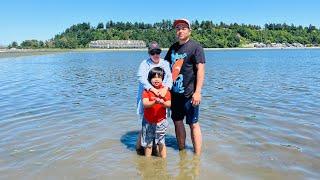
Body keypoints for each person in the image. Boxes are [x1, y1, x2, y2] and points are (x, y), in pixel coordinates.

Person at [164, 18, 205, 156]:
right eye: (177, 28)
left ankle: (197, 157)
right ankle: (182, 152)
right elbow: (164, 67)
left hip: (190, 94)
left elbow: (201, 70)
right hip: (175, 95)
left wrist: (198, 92)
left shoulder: (196, 48)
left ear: (189, 31)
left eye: (183, 28)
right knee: (177, 122)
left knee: (193, 124)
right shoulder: (173, 48)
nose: (180, 31)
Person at [136, 43, 172, 151]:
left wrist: (165, 88)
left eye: (158, 52)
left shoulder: (165, 63)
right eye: (152, 53)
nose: (155, 55)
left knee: (159, 123)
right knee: (145, 125)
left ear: (160, 52)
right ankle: (138, 148)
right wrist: (152, 89)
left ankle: (155, 153)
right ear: (149, 53)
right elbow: (140, 77)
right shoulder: (144, 63)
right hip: (147, 96)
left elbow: (169, 78)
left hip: (162, 96)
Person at [141, 67, 171, 157]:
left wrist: (163, 103)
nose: (156, 79)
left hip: (161, 121)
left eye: (159, 77)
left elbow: (169, 104)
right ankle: (147, 161)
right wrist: (154, 102)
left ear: (162, 79)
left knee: (161, 142)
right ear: (150, 79)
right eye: (154, 77)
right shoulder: (147, 91)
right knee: (148, 143)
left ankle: (164, 161)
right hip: (148, 121)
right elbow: (145, 104)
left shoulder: (165, 91)